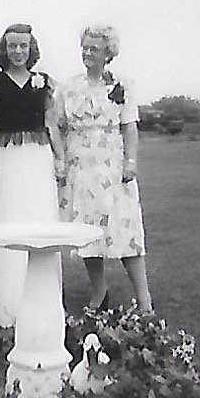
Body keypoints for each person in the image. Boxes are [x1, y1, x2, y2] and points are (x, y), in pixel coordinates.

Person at [54, 25, 153, 312]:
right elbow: (55, 124)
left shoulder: (122, 84)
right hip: (80, 166)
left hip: (112, 164)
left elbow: (130, 128)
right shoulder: (68, 86)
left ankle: (144, 297)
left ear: (108, 53)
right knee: (87, 232)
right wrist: (60, 158)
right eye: (84, 47)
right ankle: (99, 292)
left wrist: (130, 162)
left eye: (94, 48)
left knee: (125, 229)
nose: (87, 53)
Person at [0, 23, 63, 328]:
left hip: (38, 158)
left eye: (24, 46)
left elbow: (51, 123)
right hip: (7, 156)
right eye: (12, 46)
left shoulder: (45, 82)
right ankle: (3, 302)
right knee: (6, 217)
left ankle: (39, 299)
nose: (18, 52)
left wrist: (60, 158)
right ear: (4, 48)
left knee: (38, 219)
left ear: (31, 48)